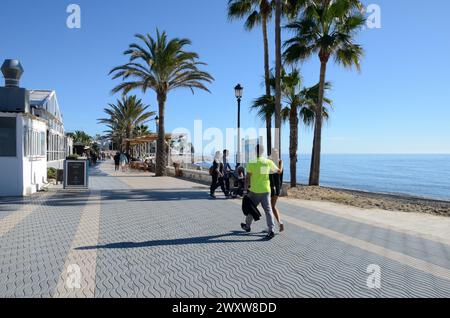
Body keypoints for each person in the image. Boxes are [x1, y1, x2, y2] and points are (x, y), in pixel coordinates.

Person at [241, 144, 282, 240]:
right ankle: (271, 230)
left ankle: (247, 226)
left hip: (254, 190)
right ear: (263, 152)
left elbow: (248, 177)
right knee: (268, 210)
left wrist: (245, 190)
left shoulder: (251, 162)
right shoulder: (268, 162)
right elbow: (279, 171)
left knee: (251, 208)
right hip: (266, 190)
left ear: (255, 151)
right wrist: (280, 163)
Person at [269, 148, 285, 232]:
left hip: (271, 187)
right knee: (272, 207)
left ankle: (274, 225)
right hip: (278, 187)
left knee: (270, 207)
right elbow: (280, 171)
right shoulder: (280, 162)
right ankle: (278, 223)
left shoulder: (271, 163)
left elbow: (263, 172)